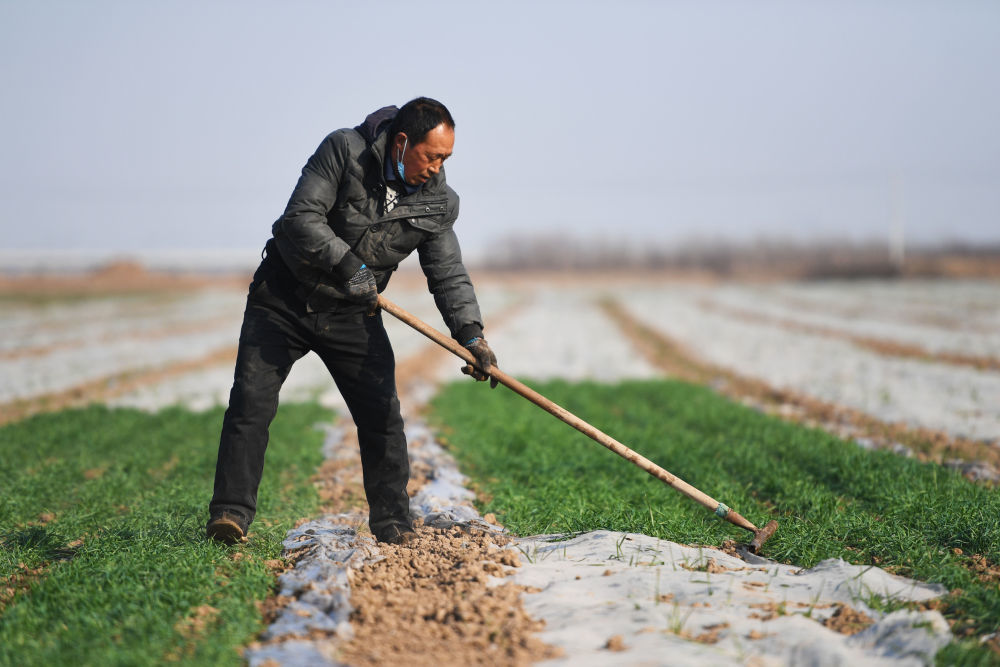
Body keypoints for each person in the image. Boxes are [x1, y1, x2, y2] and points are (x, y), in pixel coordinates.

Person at [206, 97, 498, 546]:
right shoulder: (344, 150)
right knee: (251, 403)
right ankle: (230, 514)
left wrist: (472, 335)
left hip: (351, 313)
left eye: (446, 158)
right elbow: (301, 218)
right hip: (283, 299)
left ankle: (393, 524)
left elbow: (448, 272)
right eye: (432, 155)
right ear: (402, 143)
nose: (438, 168)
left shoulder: (437, 200)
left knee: (382, 416)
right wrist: (350, 267)